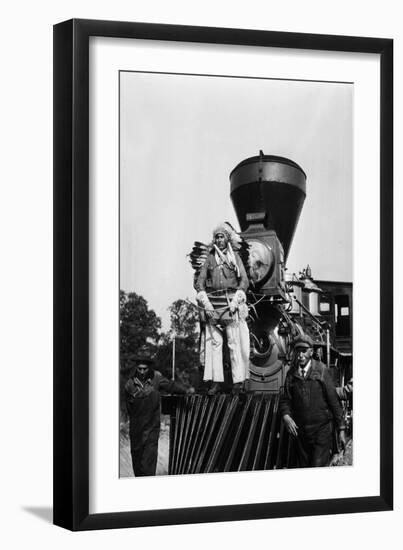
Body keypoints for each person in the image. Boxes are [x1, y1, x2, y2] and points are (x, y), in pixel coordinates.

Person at [195, 223, 250, 395]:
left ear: (227, 239)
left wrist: (236, 301)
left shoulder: (235, 257)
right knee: (215, 344)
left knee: (234, 343)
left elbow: (244, 281)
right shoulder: (210, 259)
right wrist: (207, 304)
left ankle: (238, 383)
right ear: (214, 239)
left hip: (231, 303)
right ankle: (216, 382)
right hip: (213, 305)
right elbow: (200, 282)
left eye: (222, 237)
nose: (219, 240)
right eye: (217, 237)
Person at [279, 334, 347, 467]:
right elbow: (285, 400)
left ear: (311, 352)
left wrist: (342, 429)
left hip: (321, 432)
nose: (300, 355)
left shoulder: (321, 370)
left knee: (317, 467)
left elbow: (334, 401)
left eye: (304, 351)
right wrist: (286, 416)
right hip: (301, 434)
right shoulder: (291, 374)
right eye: (298, 351)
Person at [125, 355, 194, 476]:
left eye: (145, 369)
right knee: (137, 464)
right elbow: (129, 408)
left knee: (148, 466)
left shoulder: (156, 377)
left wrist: (185, 390)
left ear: (149, 368)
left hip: (152, 429)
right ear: (136, 368)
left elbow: (170, 386)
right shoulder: (129, 384)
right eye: (139, 369)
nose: (142, 372)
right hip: (136, 430)